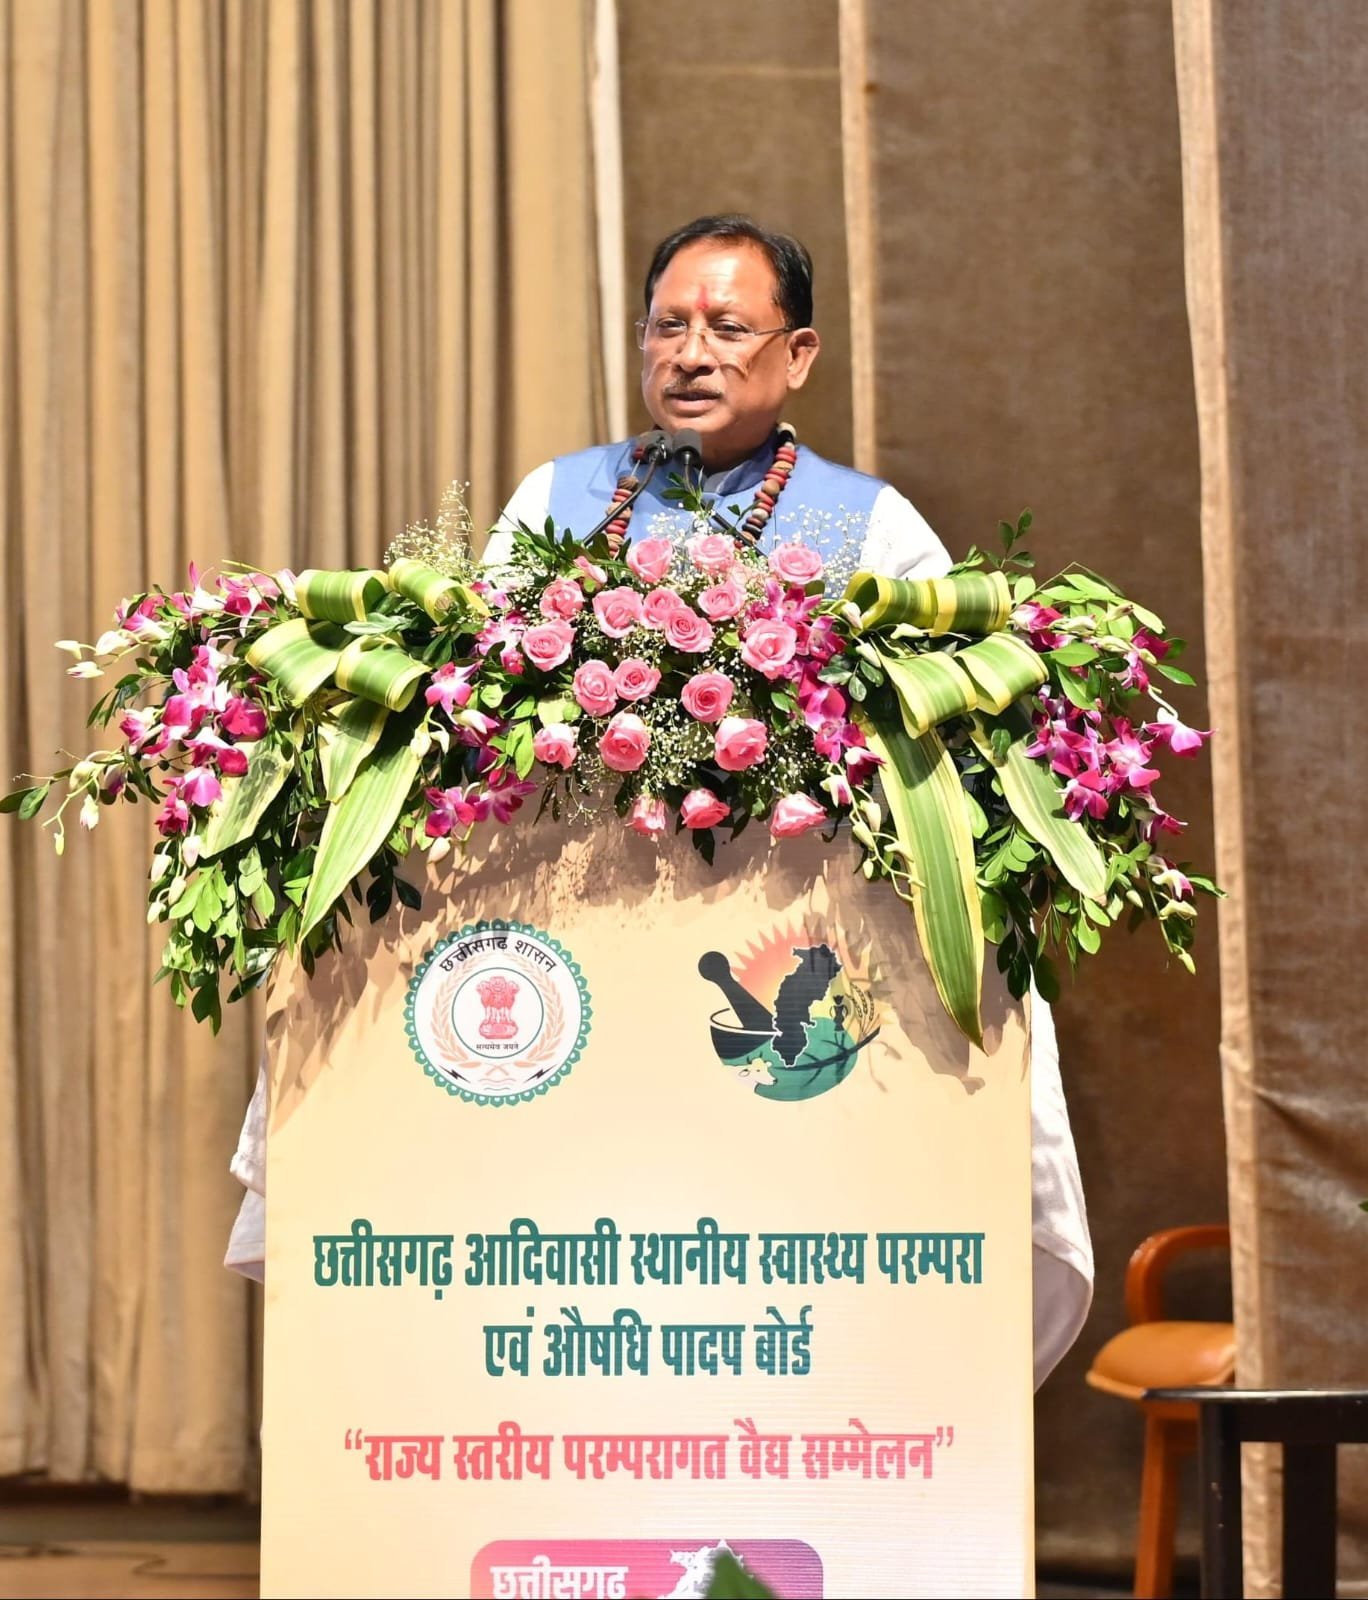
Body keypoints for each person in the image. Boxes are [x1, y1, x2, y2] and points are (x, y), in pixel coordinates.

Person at [227, 214, 1093, 1389]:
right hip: (576, 946)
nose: (691, 353)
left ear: (798, 353)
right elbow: (477, 708)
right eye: (667, 326)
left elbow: (957, 729)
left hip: (792, 951)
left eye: (728, 327)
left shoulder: (875, 525)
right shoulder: (560, 495)